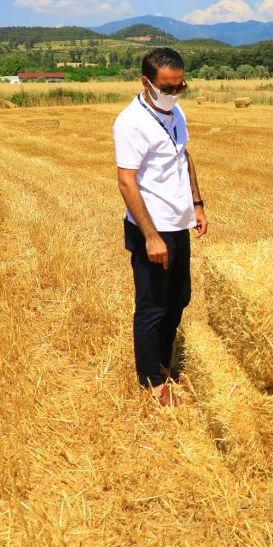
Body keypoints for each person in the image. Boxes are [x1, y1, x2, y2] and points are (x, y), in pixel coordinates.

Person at [115, 47, 207, 406]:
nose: (174, 93)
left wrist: (197, 204)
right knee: (152, 305)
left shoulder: (175, 111)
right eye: (167, 88)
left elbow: (184, 155)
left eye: (180, 86)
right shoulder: (131, 122)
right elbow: (126, 182)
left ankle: (163, 363)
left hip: (178, 223)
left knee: (179, 298)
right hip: (151, 227)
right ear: (146, 82)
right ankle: (151, 380)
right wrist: (151, 236)